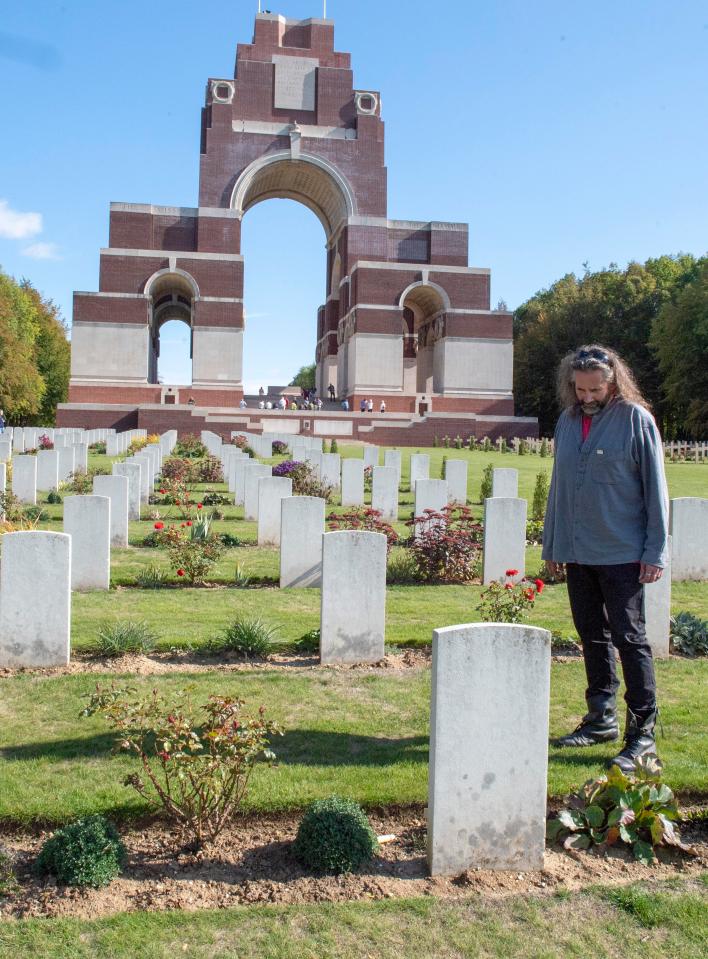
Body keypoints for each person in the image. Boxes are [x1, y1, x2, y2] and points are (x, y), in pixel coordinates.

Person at [543, 344, 669, 772]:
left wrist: (655, 550)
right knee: (590, 636)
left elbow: (656, 490)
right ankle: (601, 719)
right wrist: (554, 546)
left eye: (595, 389)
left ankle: (642, 733)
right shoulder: (566, 421)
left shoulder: (636, 420)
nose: (586, 397)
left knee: (629, 639)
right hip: (578, 553)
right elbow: (559, 487)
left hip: (622, 554)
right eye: (579, 389)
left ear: (613, 381)